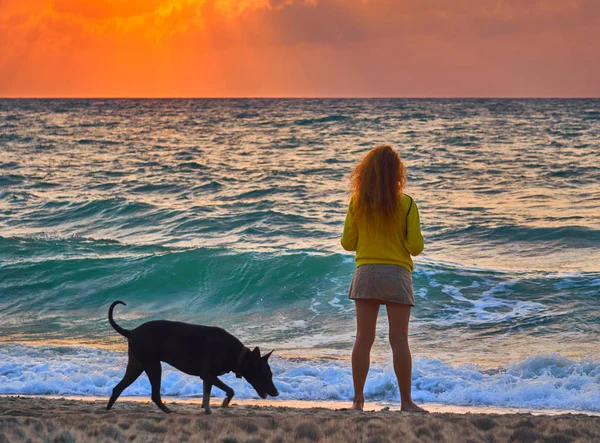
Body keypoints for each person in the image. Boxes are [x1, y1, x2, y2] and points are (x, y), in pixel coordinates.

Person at [341, 145, 426, 412]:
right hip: (397, 274)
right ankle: (406, 402)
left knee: (363, 339)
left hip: (366, 273)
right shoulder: (407, 203)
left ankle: (358, 401)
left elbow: (347, 243)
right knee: (399, 340)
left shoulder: (358, 203)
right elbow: (416, 247)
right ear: (397, 174)